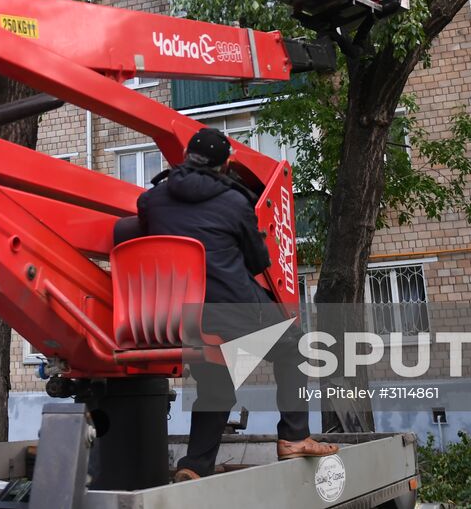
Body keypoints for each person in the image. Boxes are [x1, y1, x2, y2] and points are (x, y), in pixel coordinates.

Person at [136, 127, 339, 482]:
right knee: (294, 348)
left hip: (176, 317)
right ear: (226, 164)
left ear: (186, 159)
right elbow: (257, 258)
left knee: (216, 386)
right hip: (230, 309)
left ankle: (194, 466)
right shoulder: (234, 202)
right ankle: (293, 436)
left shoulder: (151, 200)